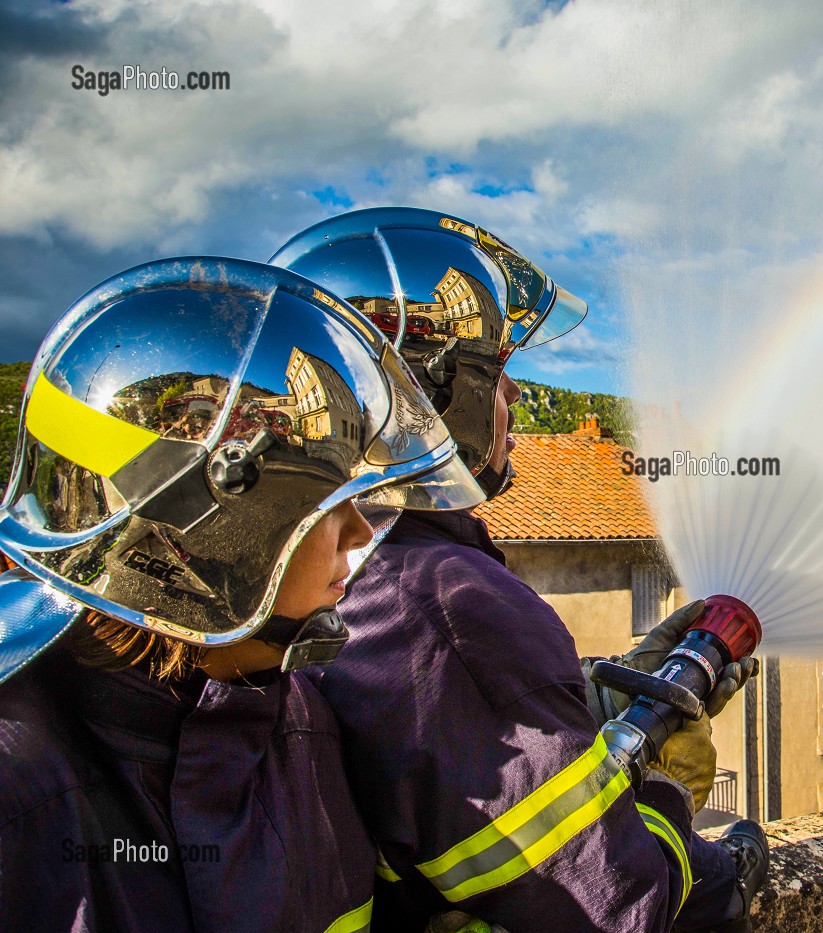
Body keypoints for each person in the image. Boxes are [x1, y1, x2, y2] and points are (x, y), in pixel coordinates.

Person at [272, 208, 768, 932]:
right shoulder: (442, 602)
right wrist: (673, 803)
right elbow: (617, 900)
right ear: (437, 393)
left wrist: (585, 695)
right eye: (497, 372)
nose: (513, 397)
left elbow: (436, 752)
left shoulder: (321, 566)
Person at [0, 257, 487, 931]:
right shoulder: (21, 786)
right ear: (203, 528)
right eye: (324, 504)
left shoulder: (295, 717)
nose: (354, 533)